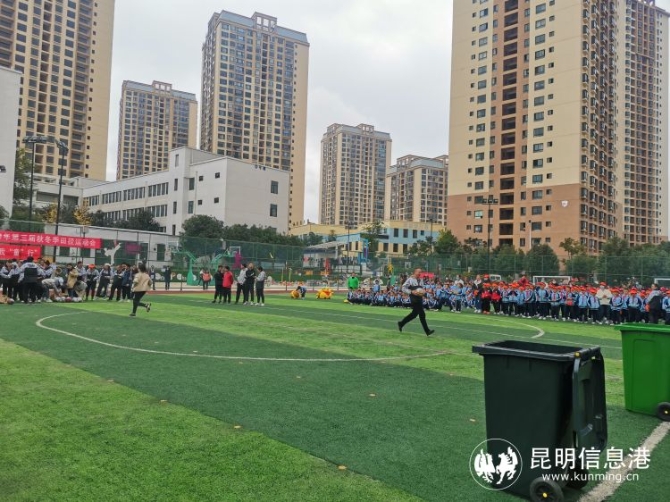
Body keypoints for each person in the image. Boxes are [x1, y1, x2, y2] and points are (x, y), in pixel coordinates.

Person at [397, 268, 434, 336]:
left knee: (414, 314)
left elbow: (422, 289)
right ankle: (427, 331)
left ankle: (401, 323)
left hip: (419, 298)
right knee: (422, 314)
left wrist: (424, 292)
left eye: (420, 272)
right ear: (415, 272)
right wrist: (411, 292)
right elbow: (403, 288)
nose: (420, 273)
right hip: (414, 299)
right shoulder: (410, 279)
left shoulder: (421, 280)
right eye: (418, 272)